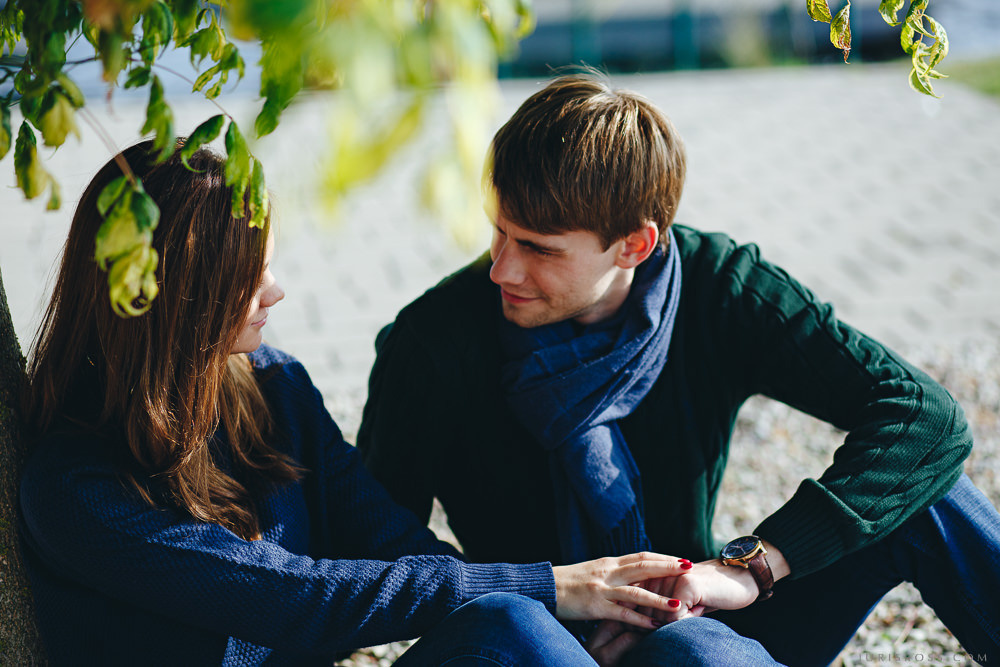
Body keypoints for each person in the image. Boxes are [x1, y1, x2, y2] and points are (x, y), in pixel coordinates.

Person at [15, 140, 778, 665]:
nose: (276, 293)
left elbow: (399, 547)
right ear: (177, 300)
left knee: (683, 646)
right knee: (513, 611)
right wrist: (550, 587)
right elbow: (296, 601)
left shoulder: (274, 387)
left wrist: (566, 614)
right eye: (249, 278)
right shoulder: (77, 488)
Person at [357, 71, 1000, 666]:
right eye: (497, 232)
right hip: (536, 642)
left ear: (636, 244)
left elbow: (924, 416)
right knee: (586, 637)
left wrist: (754, 567)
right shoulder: (435, 340)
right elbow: (371, 549)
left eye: (536, 248)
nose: (501, 268)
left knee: (926, 494)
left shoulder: (719, 289)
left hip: (698, 616)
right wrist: (547, 600)